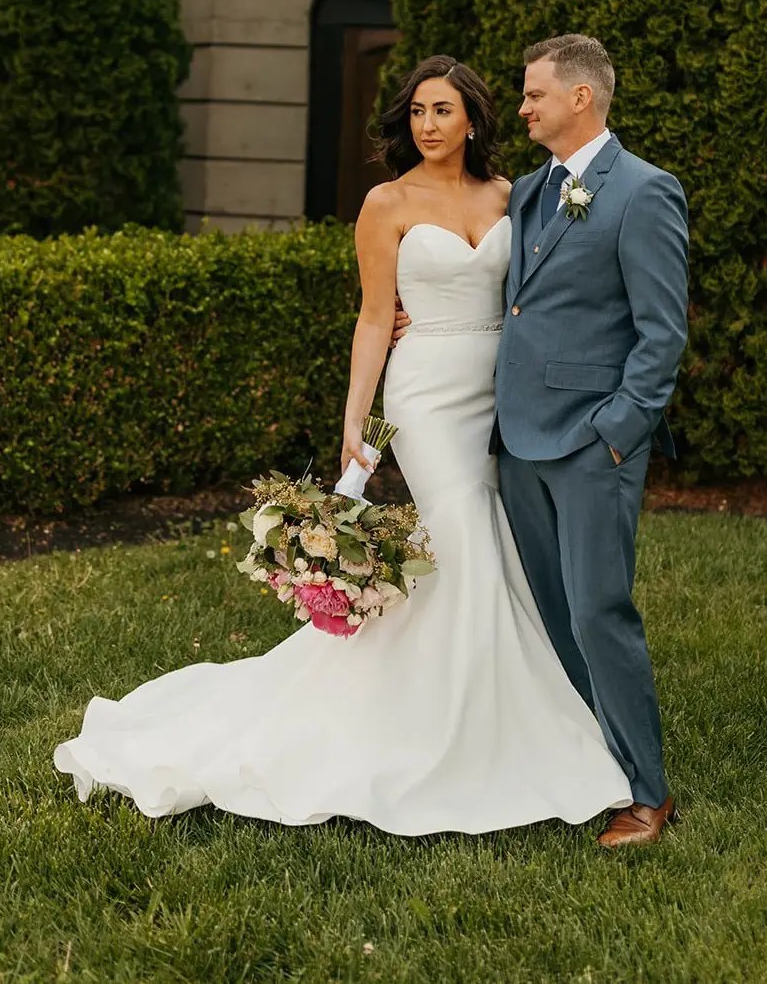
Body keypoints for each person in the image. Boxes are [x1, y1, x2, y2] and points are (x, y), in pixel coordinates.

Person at [54, 55, 633, 838]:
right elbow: (372, 318)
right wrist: (356, 423)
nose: (427, 124)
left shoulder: (513, 195)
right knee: (460, 535)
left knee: (485, 545)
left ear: (472, 120)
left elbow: (540, 289)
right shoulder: (384, 202)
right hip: (424, 391)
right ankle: (456, 732)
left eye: (442, 111)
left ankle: (500, 707)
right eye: (417, 112)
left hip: (503, 391)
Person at [396, 35, 689, 847]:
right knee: (551, 613)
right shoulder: (527, 192)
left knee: (599, 612)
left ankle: (647, 791)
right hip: (514, 437)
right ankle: (584, 763)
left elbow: (661, 336)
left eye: (532, 96)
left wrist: (617, 434)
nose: (520, 108)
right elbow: (503, 300)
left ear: (580, 100)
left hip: (592, 443)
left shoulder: (642, 192)